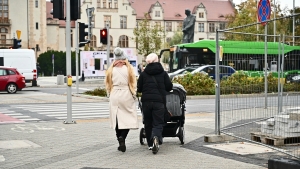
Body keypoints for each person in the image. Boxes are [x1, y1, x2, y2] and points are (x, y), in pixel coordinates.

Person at [137, 53, 173, 154]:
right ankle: (156, 137)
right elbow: (169, 87)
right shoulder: (163, 73)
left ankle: (150, 143)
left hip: (146, 102)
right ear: (157, 60)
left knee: (148, 123)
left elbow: (139, 88)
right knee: (158, 123)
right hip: (159, 102)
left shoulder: (143, 74)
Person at [105, 47, 138, 153]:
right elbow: (133, 83)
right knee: (128, 117)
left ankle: (119, 140)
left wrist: (109, 94)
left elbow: (107, 84)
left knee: (116, 118)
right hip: (126, 93)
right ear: (124, 58)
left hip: (114, 93)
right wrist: (134, 94)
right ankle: (122, 137)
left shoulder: (111, 70)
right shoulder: (129, 69)